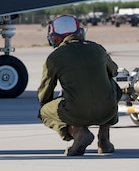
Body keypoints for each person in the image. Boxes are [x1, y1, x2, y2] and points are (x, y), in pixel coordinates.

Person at [37, 15, 122, 156]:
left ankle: (78, 132)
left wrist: (52, 106)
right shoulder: (97, 49)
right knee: (111, 86)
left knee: (44, 112)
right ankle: (104, 139)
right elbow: (113, 71)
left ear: (55, 37)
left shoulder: (54, 58)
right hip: (107, 112)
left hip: (76, 112)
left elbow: (45, 93)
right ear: (80, 32)